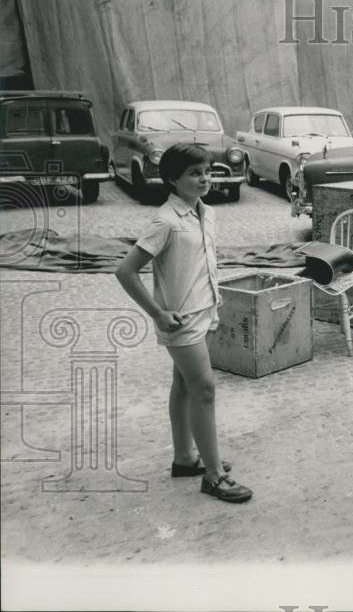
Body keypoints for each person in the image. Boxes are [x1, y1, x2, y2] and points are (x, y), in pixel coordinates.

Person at [115, 143, 252, 504]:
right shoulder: (166, 220)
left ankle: (184, 458)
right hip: (180, 320)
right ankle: (213, 476)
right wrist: (157, 314)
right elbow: (125, 271)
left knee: (183, 386)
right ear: (173, 179)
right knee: (204, 389)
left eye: (207, 171)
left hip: (204, 311)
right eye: (194, 173)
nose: (204, 178)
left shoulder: (205, 212)